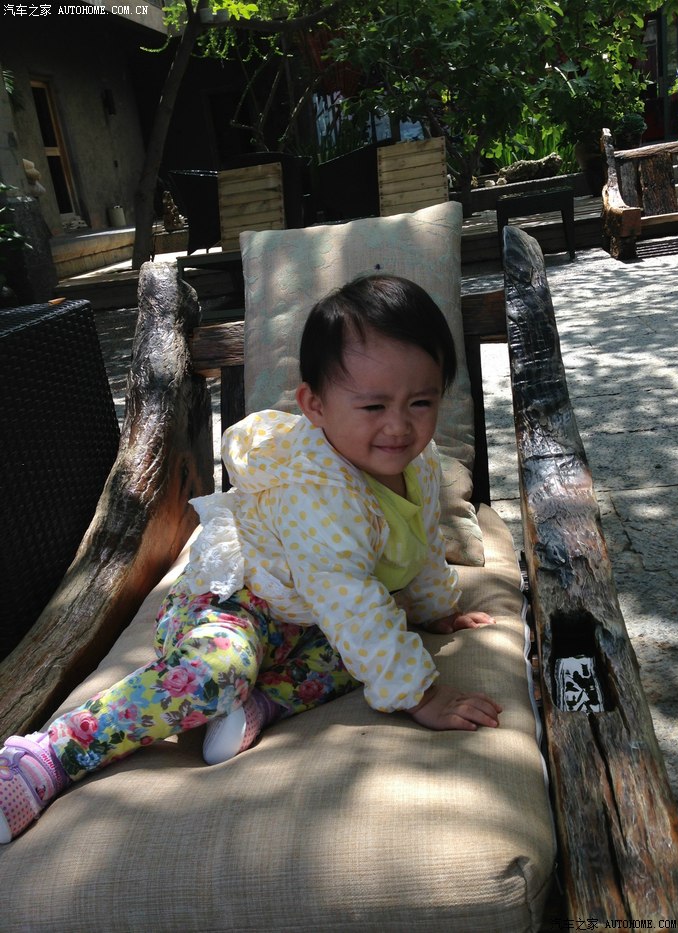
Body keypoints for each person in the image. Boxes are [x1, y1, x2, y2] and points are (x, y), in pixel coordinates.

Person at [0, 274, 502, 844]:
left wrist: (437, 610)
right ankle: (48, 756)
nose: (400, 425)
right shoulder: (318, 493)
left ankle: (256, 705)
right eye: (372, 405)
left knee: (370, 645)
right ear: (314, 405)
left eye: (421, 401)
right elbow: (352, 601)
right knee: (217, 676)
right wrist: (421, 694)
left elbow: (420, 542)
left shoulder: (419, 464)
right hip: (232, 606)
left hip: (303, 619)